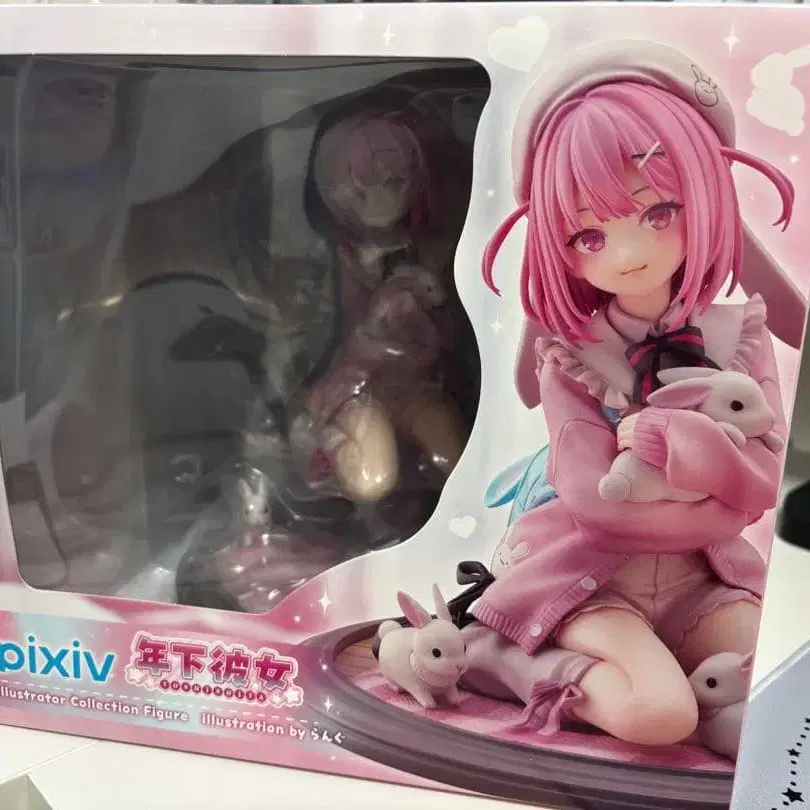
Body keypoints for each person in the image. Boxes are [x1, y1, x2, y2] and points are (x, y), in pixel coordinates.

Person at [458, 40, 805, 760]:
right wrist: (711, 490)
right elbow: (593, 501)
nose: (626, 255)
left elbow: (763, 485)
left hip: (703, 579)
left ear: (706, 195)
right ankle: (496, 655)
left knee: (779, 690)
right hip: (587, 580)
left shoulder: (738, 335)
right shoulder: (570, 355)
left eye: (659, 212)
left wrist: (688, 456)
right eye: (589, 234)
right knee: (660, 714)